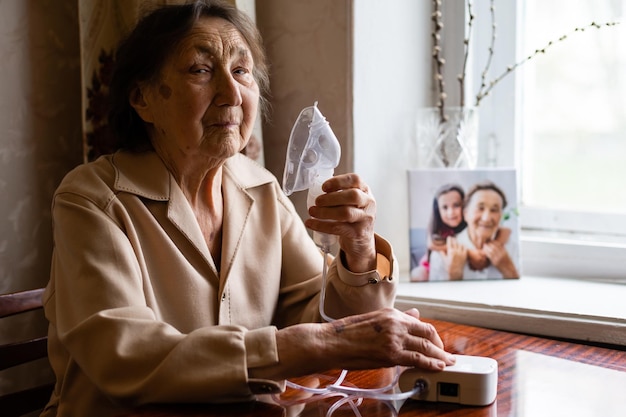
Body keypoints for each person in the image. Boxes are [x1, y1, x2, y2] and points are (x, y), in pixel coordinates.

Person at [40, 1, 455, 416]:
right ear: (143, 98)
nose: (232, 92)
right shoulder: (92, 199)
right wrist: (319, 344)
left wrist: (359, 251)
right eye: (200, 70)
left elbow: (328, 314)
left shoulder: (260, 187)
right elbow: (125, 357)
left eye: (241, 71)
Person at [411, 183, 510, 281]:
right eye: (445, 207)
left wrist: (495, 246)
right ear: (438, 211)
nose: (451, 213)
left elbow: (506, 231)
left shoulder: (472, 224)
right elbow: (432, 244)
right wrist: (470, 253)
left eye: (456, 205)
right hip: (429, 266)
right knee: (418, 274)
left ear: (465, 207)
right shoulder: (439, 231)